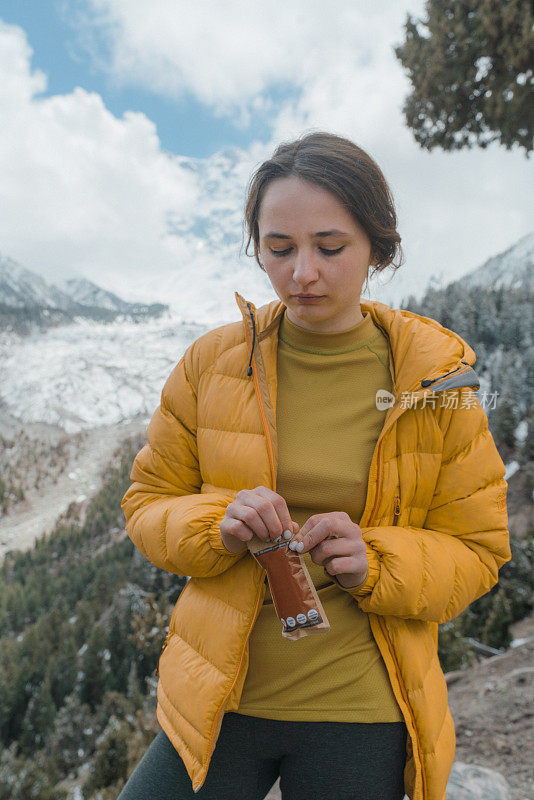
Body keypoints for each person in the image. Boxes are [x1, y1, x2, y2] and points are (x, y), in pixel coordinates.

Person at [118, 131, 511, 800]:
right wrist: (219, 524)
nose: (302, 273)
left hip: (360, 706)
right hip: (220, 697)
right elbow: (147, 503)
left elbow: (476, 549)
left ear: (377, 249)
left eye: (330, 248)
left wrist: (377, 560)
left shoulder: (435, 380)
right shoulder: (210, 364)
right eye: (279, 249)